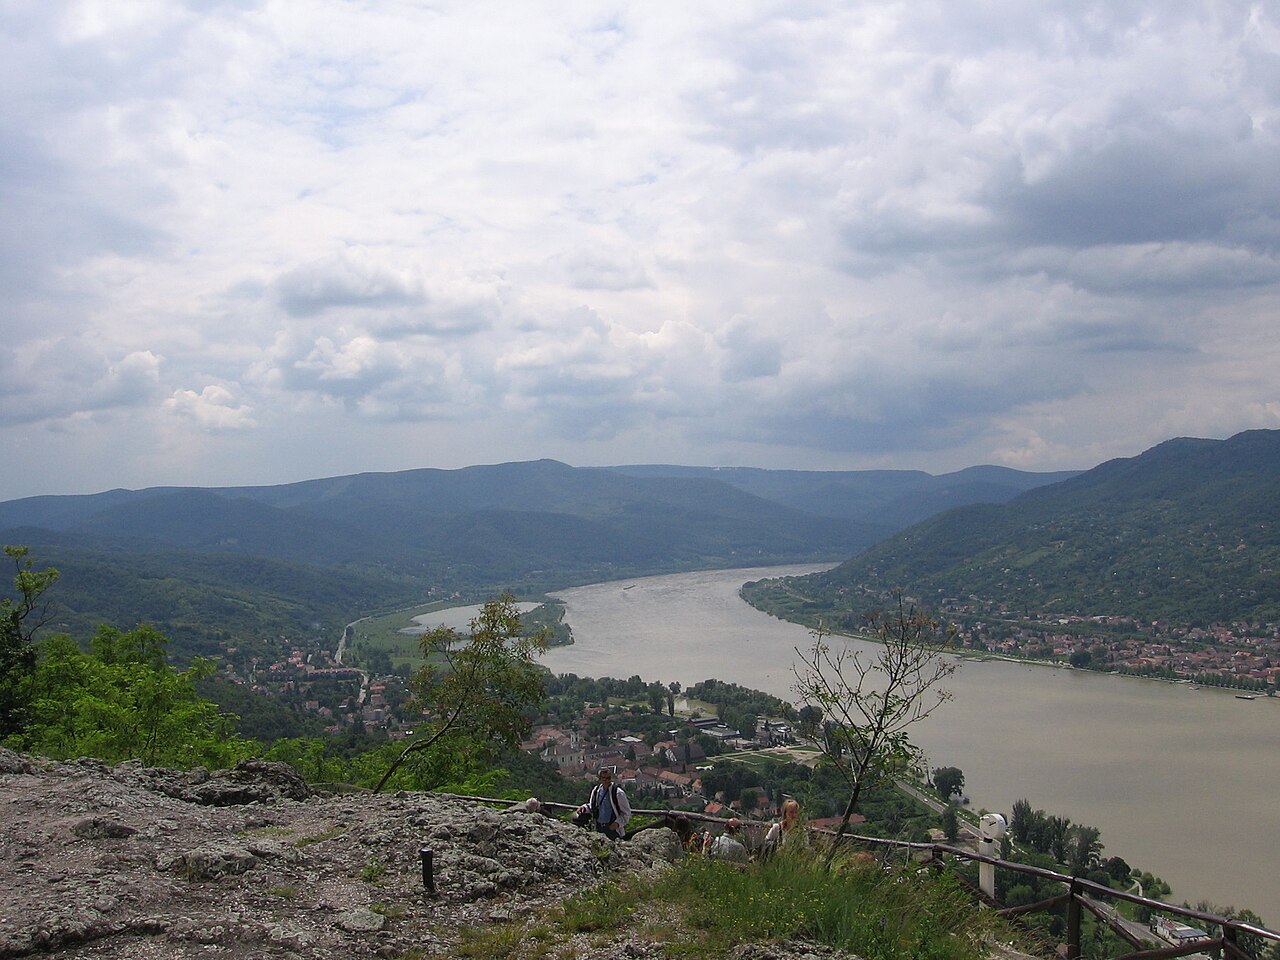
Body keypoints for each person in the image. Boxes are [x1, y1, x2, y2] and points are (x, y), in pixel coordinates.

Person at [579, 768, 630, 840]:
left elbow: (626, 813)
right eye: (604, 778)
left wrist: (617, 824)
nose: (607, 780)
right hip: (599, 828)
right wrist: (584, 808)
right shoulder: (596, 791)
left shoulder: (618, 793)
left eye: (608, 778)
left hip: (612, 829)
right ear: (600, 779)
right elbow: (593, 806)